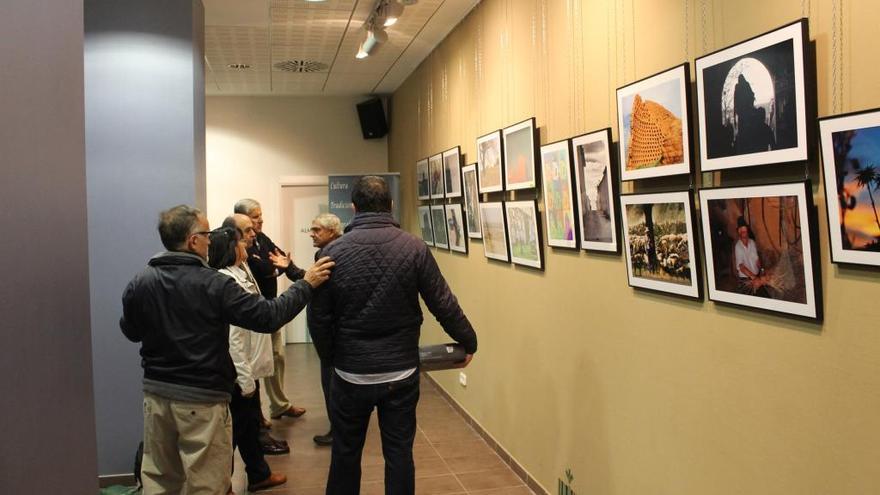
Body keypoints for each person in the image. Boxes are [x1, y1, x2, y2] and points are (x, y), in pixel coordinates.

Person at [120, 204, 334, 495]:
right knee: (207, 482)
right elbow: (268, 316)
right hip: (202, 399)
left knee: (160, 478)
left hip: (156, 396)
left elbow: (131, 331)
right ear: (193, 240)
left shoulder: (140, 281)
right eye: (207, 234)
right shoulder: (214, 284)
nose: (212, 240)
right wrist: (306, 284)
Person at [308, 176, 478, 494]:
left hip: (350, 374)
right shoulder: (413, 247)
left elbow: (318, 319)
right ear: (390, 205)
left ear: (354, 208)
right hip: (400, 373)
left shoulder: (333, 253)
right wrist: (468, 341)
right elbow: (443, 302)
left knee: (345, 455)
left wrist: (332, 359)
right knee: (399, 455)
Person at [208, 224, 287, 492]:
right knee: (233, 432)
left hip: (248, 368)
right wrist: (245, 380)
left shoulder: (240, 271)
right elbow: (234, 339)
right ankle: (223, 484)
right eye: (242, 243)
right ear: (231, 249)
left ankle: (258, 474)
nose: (247, 246)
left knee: (249, 426)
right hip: (238, 372)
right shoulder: (224, 281)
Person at [267, 213, 341, 447]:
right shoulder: (330, 251)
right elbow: (314, 281)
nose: (311, 233)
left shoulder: (331, 254)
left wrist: (292, 271)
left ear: (332, 232)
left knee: (331, 381)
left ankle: (337, 431)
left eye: (317, 229)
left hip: (330, 332)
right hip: (329, 330)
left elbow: (317, 287)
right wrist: (291, 268)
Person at [234, 198, 307, 421]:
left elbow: (282, 258)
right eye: (256, 217)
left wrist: (291, 272)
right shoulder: (236, 244)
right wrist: (276, 269)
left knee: (277, 357)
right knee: (254, 364)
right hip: (253, 313)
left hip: (272, 309)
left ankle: (279, 405)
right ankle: (256, 416)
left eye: (260, 215)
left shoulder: (261, 239)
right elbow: (264, 268)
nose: (261, 221)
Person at [733, 216, 769, 297]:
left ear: (747, 230)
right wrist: (754, 278)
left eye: (744, 229)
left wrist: (762, 270)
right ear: (738, 232)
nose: (743, 231)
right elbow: (741, 266)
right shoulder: (738, 247)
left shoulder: (752, 243)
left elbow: (757, 260)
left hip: (756, 276)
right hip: (746, 280)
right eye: (741, 230)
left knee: (766, 297)